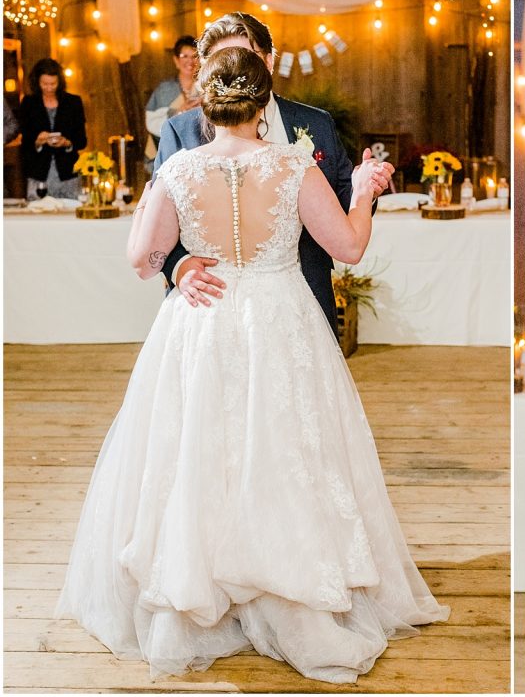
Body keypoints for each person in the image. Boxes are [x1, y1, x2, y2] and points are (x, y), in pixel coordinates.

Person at [55, 47, 448, 684]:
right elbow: (345, 247)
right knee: (284, 449)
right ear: (262, 97)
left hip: (201, 323)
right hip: (281, 320)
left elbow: (140, 257)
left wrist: (181, 264)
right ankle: (285, 579)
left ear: (203, 101)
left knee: (197, 450)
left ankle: (199, 579)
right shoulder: (294, 166)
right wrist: (364, 194)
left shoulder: (178, 169)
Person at [153, 12, 374, 333]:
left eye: (247, 57)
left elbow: (342, 200)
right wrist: (178, 266)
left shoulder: (316, 122)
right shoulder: (179, 131)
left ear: (268, 62)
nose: (234, 67)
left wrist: (366, 189)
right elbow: (157, 221)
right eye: (222, 59)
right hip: (207, 305)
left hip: (300, 298)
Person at [18, 58, 86, 200]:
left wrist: (67, 143)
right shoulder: (29, 103)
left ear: (60, 82)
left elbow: (82, 140)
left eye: (53, 84)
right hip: (38, 174)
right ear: (37, 82)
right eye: (44, 84)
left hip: (68, 174)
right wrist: (38, 141)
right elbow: (25, 142)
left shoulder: (73, 102)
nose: (49, 88)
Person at [143, 35, 200, 174]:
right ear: (176, 60)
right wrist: (178, 112)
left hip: (200, 152)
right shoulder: (164, 90)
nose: (190, 61)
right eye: (184, 56)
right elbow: (152, 123)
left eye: (194, 56)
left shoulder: (206, 87)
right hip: (171, 154)